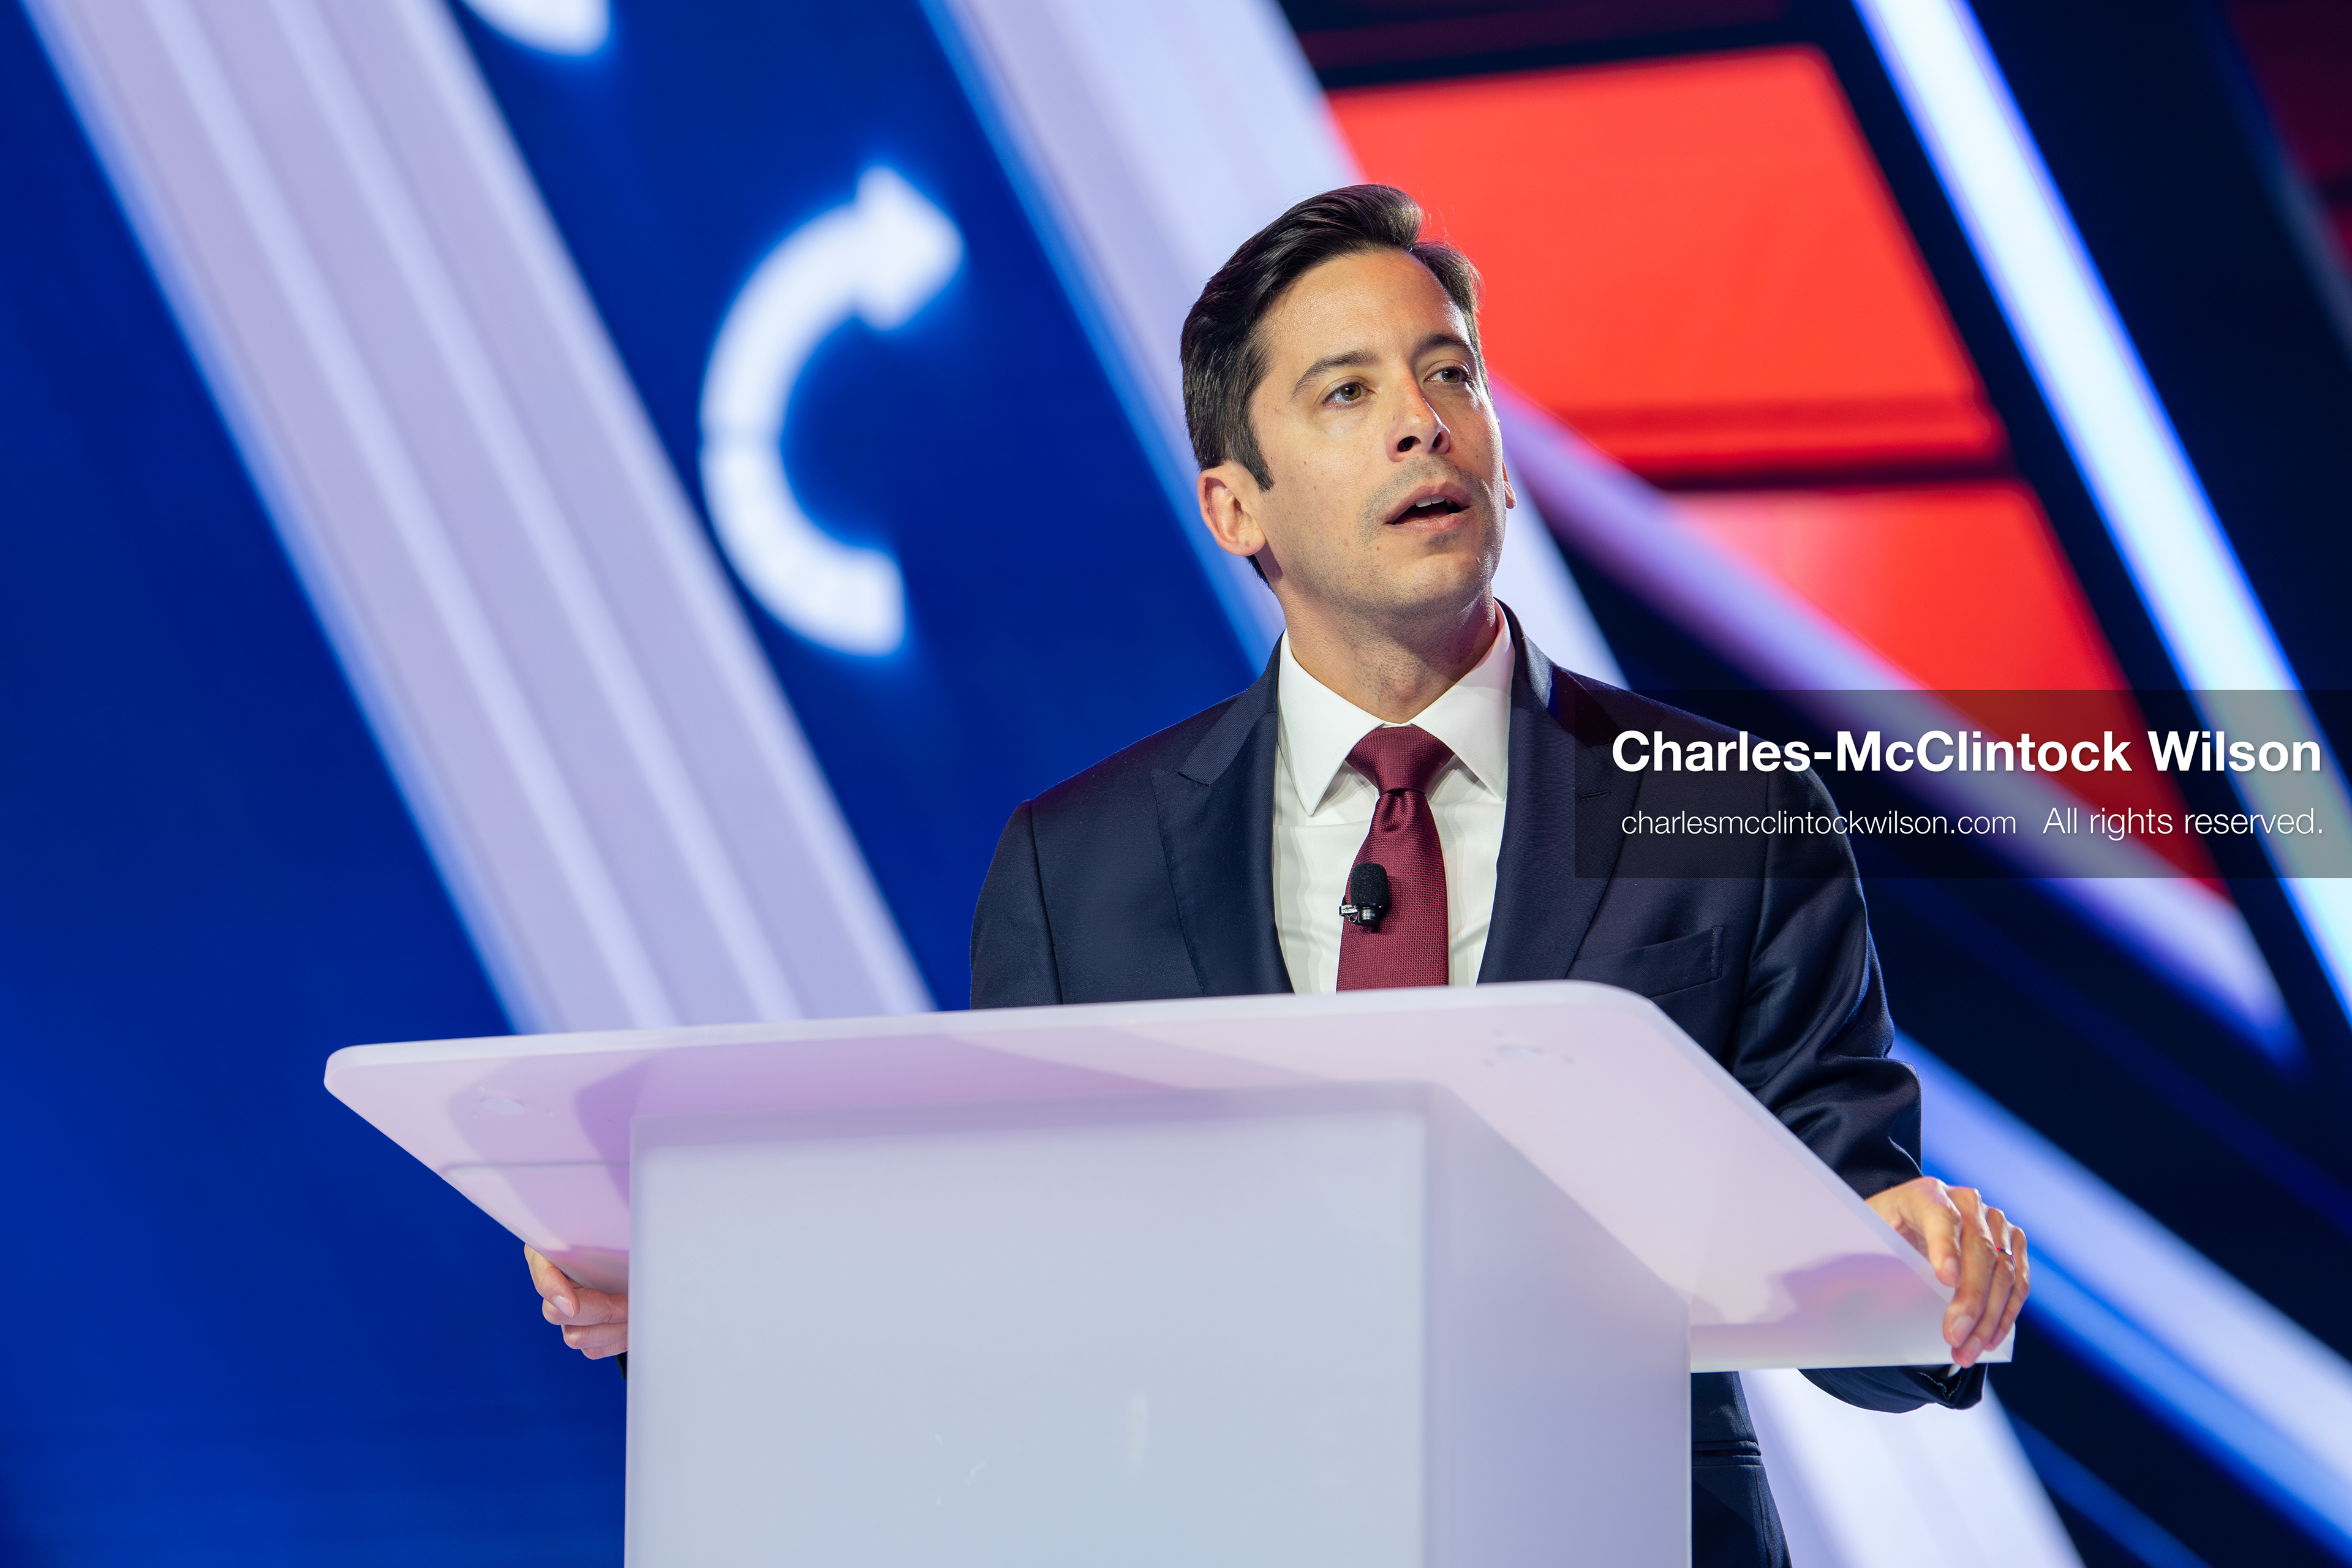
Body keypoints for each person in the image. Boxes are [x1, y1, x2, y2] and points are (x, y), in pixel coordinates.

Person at [527, 184, 2029, 1566]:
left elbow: (1852, 1232)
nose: (1423, 426)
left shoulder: (1730, 812)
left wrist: (1923, 1262)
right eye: (1349, 392)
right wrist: (726, 1306)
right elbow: (1002, 1286)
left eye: (1450, 374)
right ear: (1235, 506)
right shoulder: (1079, 863)